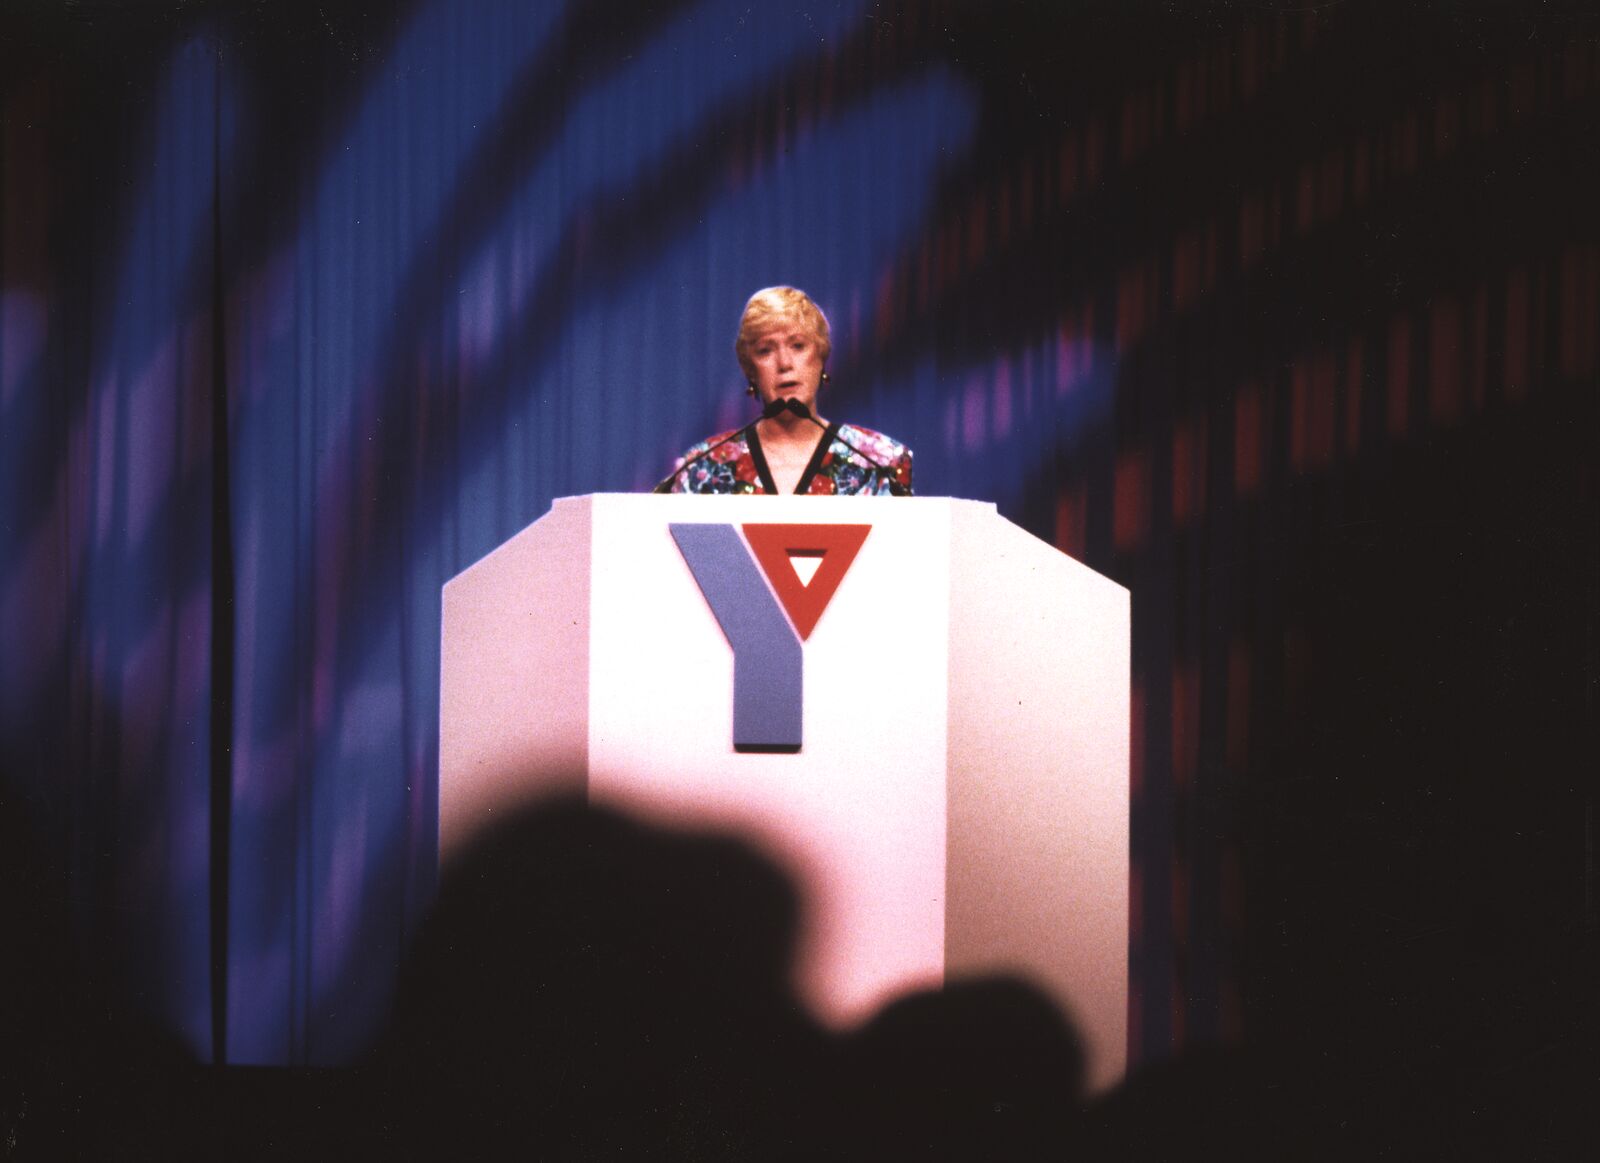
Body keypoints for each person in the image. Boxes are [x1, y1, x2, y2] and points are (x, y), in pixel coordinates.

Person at [662, 287, 913, 495]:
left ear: (821, 356)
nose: (784, 363)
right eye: (765, 351)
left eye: (798, 346)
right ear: (750, 369)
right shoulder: (704, 466)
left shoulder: (880, 462)